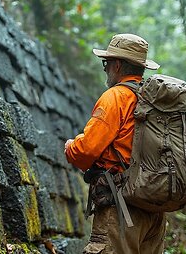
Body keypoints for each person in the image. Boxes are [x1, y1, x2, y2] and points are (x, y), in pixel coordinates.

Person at [64, 34, 166, 253]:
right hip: (154, 210)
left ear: (117, 65)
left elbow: (86, 150)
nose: (105, 69)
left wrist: (71, 146)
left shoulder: (116, 97)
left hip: (120, 209)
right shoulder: (155, 101)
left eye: (106, 63)